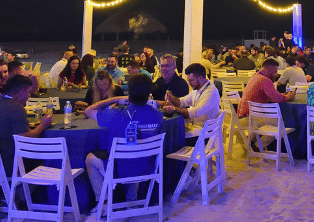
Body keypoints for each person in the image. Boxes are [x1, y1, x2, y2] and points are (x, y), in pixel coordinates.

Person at [83, 73, 163, 210]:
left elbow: (88, 110)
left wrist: (115, 99)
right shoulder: (158, 115)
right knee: (136, 154)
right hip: (148, 168)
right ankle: (131, 200)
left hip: (119, 170)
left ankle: (104, 202)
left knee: (90, 159)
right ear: (149, 92)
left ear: (129, 92)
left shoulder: (117, 115)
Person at [0, 75, 51, 179]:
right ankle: (24, 193)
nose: (29, 97)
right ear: (22, 92)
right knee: (41, 157)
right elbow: (24, 140)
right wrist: (43, 125)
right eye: (29, 93)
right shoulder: (16, 107)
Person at [161, 63, 221, 129]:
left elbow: (196, 112)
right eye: (188, 80)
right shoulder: (197, 88)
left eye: (191, 80)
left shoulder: (211, 92)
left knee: (173, 132)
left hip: (205, 131)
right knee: (171, 128)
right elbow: (182, 102)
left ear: (200, 78)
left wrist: (174, 109)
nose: (189, 83)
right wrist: (171, 97)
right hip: (196, 126)